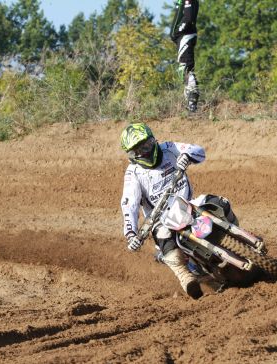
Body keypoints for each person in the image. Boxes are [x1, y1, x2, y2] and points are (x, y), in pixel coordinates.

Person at [120, 123, 205, 299]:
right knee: (164, 236)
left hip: (189, 203)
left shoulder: (169, 148)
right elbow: (129, 204)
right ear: (132, 155)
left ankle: (242, 237)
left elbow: (198, 150)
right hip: (162, 219)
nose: (145, 152)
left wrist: (187, 155)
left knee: (218, 202)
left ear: (153, 140)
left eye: (147, 145)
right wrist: (131, 233)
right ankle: (185, 277)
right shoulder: (133, 173)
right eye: (138, 150)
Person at [171, 0, 200, 113]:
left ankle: (192, 104)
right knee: (185, 70)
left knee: (185, 69)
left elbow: (188, 19)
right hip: (184, 37)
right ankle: (190, 104)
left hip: (185, 37)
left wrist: (178, 31)